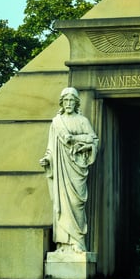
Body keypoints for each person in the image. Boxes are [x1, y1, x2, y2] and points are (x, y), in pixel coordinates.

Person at [39, 87, 99, 252]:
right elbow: (51, 148)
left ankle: (78, 242)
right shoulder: (56, 123)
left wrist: (75, 139)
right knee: (62, 205)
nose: (68, 103)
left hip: (77, 170)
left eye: (72, 100)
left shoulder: (82, 121)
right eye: (66, 100)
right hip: (61, 170)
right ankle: (64, 244)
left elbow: (93, 140)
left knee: (76, 204)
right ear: (62, 102)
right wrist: (47, 159)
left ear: (76, 102)